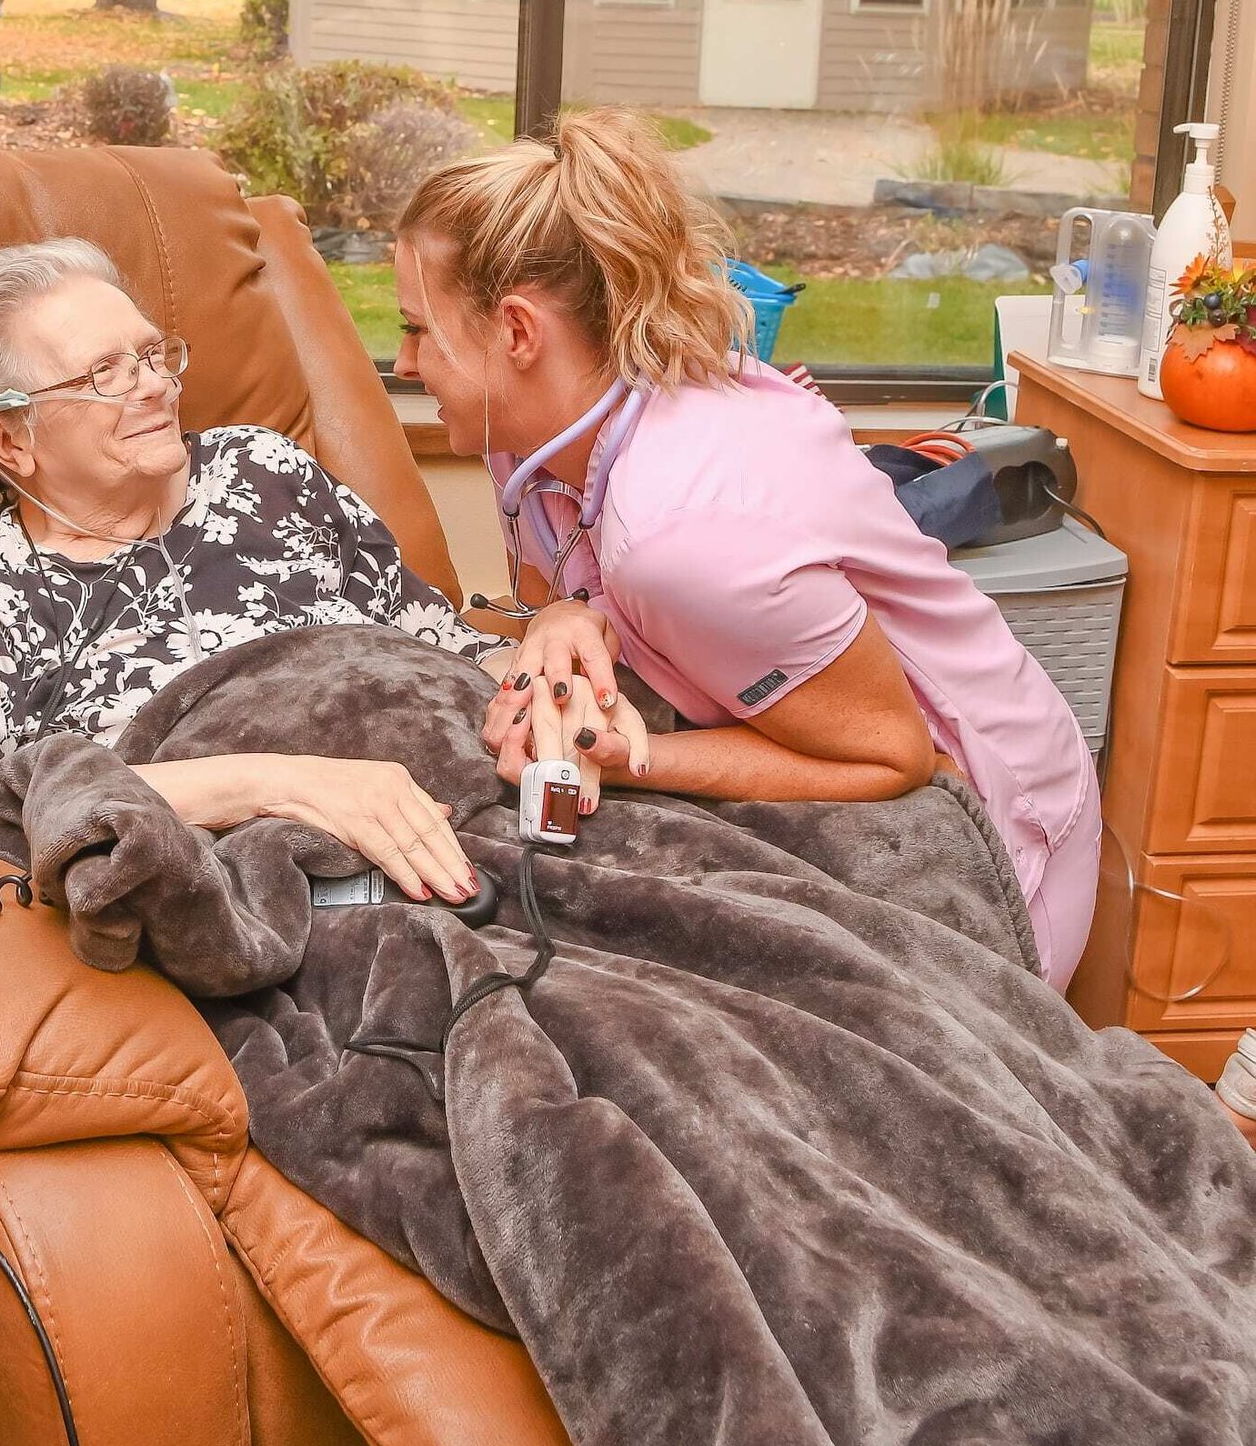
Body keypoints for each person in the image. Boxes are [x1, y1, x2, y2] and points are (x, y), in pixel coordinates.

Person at [391, 106, 1102, 990]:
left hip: (987, 811)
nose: (405, 364)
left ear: (517, 331)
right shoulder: (530, 429)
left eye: (417, 328)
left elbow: (892, 755)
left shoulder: (685, 534)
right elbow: (568, 576)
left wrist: (627, 759)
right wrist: (560, 619)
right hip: (810, 721)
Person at [0, 237, 620, 902]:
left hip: (463, 811)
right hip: (271, 887)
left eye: (153, 354)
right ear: (8, 438)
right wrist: (281, 783)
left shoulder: (260, 468)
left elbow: (439, 647)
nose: (157, 385)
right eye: (105, 372)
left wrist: (548, 651)